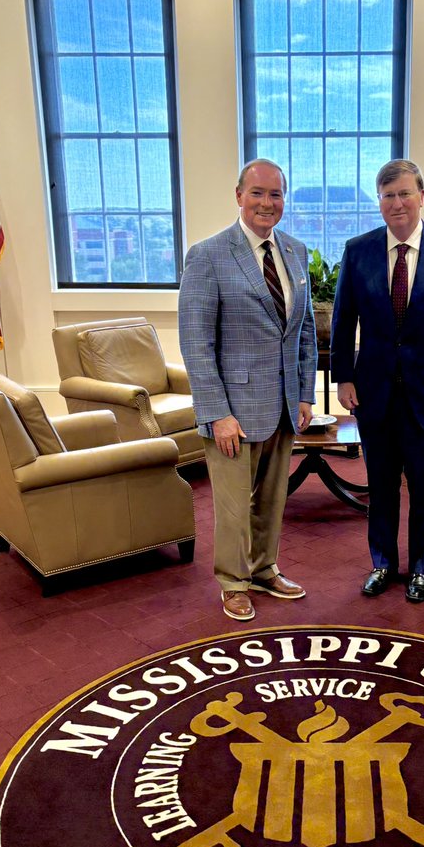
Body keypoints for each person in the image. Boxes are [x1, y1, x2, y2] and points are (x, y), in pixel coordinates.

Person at [331, 158, 424, 603]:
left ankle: (421, 567)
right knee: (380, 483)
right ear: (378, 202)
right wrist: (343, 377)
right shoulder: (358, 250)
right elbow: (343, 322)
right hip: (373, 390)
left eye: (404, 193)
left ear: (421, 196)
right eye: (387, 195)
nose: (397, 203)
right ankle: (382, 563)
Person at [179, 159, 317, 621]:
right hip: (233, 410)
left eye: (276, 194)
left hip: (282, 404)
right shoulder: (209, 255)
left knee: (274, 497)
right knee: (235, 507)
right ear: (238, 195)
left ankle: (263, 569)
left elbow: (304, 333)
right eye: (257, 193)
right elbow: (197, 344)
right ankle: (233, 582)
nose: (267, 203)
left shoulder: (295, 252)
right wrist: (216, 412)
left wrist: (304, 395)